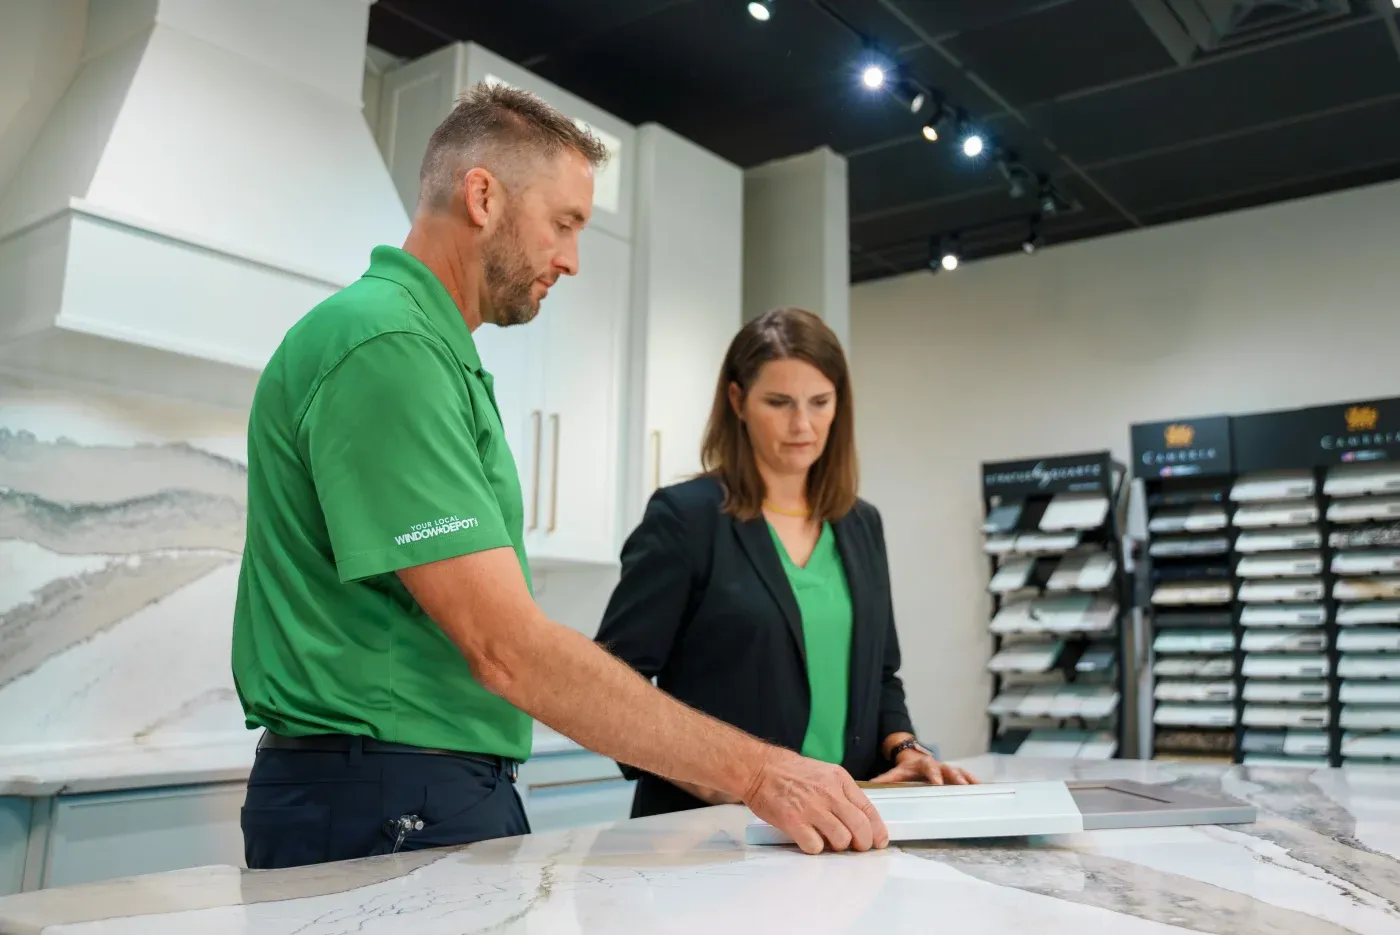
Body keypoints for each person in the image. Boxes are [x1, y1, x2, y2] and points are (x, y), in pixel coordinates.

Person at [231, 84, 887, 867]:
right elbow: (505, 645)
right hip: (387, 790)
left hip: (421, 784)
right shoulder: (387, 347)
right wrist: (758, 769)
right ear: (483, 196)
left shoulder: (431, 353)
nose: (571, 259)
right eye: (566, 223)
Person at [596, 307, 977, 817]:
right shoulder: (685, 519)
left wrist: (904, 747)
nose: (803, 425)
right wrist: (728, 783)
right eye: (779, 403)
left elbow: (882, 676)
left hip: (842, 820)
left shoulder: (861, 525)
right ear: (738, 401)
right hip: (711, 830)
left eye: (820, 402)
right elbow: (612, 691)